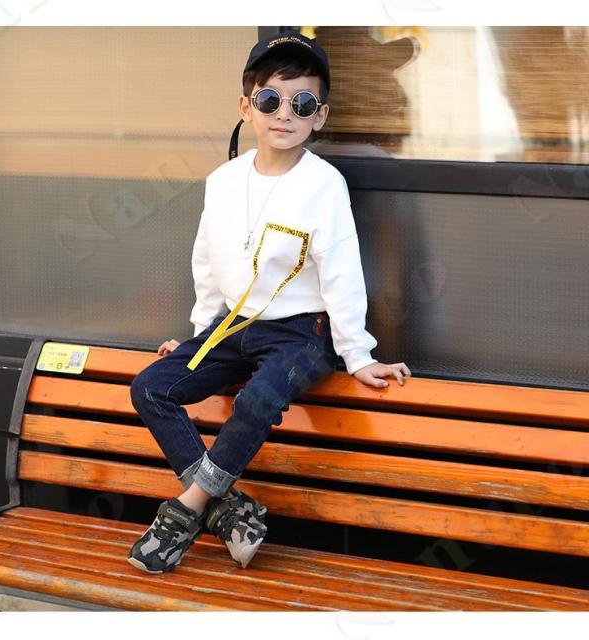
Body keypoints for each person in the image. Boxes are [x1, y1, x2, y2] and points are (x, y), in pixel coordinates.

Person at [127, 30, 411, 575]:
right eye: (270, 100)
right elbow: (206, 259)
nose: (284, 114)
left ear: (319, 117)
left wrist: (357, 354)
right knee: (151, 387)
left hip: (302, 333)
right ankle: (228, 510)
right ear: (246, 106)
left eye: (302, 104)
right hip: (233, 327)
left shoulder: (324, 184)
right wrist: (200, 332)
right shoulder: (223, 180)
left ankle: (186, 510)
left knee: (258, 397)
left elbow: (342, 271)